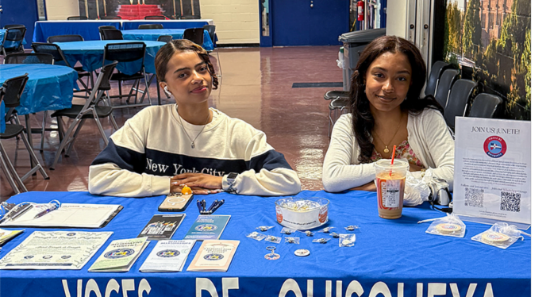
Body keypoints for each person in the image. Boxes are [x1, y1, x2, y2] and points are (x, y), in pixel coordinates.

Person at [88, 38, 302, 196]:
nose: (198, 78)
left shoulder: (237, 132)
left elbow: (288, 180)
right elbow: (99, 177)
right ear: (165, 87)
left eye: (202, 69)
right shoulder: (148, 122)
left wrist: (223, 182)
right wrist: (169, 185)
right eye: (183, 74)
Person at [321, 35, 454, 203]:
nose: (388, 87)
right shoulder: (347, 125)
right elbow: (332, 178)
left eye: (401, 78)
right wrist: (399, 167)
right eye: (379, 75)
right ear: (364, 77)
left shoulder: (428, 119)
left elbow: (455, 173)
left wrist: (373, 184)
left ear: (411, 83)